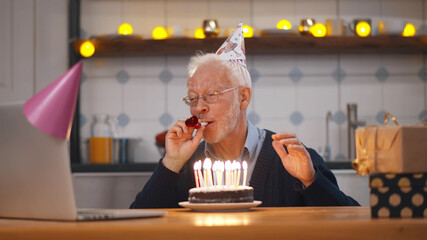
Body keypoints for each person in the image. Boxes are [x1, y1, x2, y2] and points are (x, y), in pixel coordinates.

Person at [130, 24, 359, 208]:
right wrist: (172, 162)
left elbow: (349, 221)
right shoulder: (183, 166)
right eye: (193, 98)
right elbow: (135, 229)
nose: (198, 107)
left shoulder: (290, 160)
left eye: (211, 95)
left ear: (243, 97)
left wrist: (310, 180)